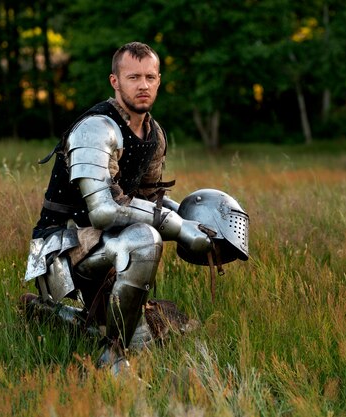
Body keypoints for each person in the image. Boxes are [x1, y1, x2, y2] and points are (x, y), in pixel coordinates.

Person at [22, 42, 213, 372]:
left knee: (155, 333)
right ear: (115, 81)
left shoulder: (153, 134)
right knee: (144, 239)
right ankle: (113, 359)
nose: (143, 85)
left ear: (159, 80)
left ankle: (59, 318)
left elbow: (149, 199)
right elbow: (103, 211)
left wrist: (196, 219)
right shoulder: (97, 128)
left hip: (107, 240)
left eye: (150, 77)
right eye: (133, 77)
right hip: (66, 243)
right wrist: (180, 228)